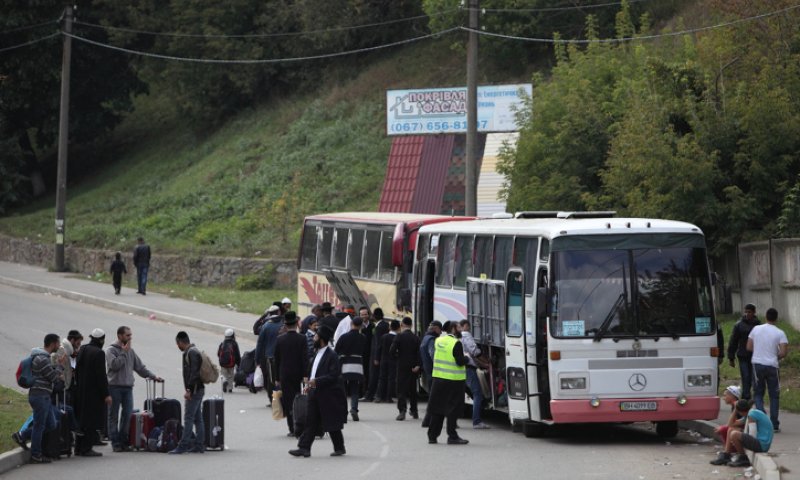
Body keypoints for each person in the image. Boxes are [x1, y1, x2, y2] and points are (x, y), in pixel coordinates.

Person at [289, 326, 348, 458]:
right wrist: (310, 385)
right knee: (310, 421)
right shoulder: (317, 353)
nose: (313, 338)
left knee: (331, 422)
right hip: (314, 393)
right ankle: (304, 448)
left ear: (321, 339)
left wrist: (316, 381)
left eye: (316, 336)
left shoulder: (332, 355)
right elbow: (314, 373)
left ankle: (339, 447)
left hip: (328, 395)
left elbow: (334, 375)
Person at [105, 326, 163, 452]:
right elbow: (114, 365)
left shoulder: (130, 351)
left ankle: (123, 441)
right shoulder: (111, 350)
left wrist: (153, 376)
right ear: (120, 336)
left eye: (131, 335)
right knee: (113, 416)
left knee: (127, 414)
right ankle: (115, 442)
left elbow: (140, 368)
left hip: (128, 388)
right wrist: (123, 352)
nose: (130, 338)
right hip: (114, 387)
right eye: (127, 335)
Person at [427, 321, 469, 445]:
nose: (461, 329)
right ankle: (452, 436)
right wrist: (467, 358)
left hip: (438, 379)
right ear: (453, 329)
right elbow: (459, 361)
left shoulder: (438, 341)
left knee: (437, 408)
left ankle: (432, 436)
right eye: (459, 327)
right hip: (453, 380)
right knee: (452, 409)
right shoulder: (456, 343)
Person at [747, 307, 789, 432]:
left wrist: (759, 351)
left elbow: (749, 347)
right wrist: (775, 356)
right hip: (772, 366)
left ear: (766, 316)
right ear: (776, 318)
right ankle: (774, 424)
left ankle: (762, 420)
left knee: (758, 393)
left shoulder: (756, 329)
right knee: (774, 395)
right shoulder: (780, 333)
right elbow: (783, 352)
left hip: (757, 365)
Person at [25, 333, 65, 464]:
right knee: (39, 426)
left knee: (51, 424)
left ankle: (22, 435)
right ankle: (36, 455)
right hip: (40, 396)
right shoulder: (42, 359)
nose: (59, 346)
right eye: (58, 343)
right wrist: (60, 366)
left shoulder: (43, 357)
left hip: (44, 396)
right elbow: (53, 378)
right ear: (52, 344)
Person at [74, 329, 112, 457]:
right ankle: (86, 448)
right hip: (93, 393)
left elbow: (77, 370)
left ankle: (78, 448)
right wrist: (106, 394)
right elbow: (101, 376)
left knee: (81, 420)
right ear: (101, 340)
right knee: (91, 421)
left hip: (80, 391)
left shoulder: (83, 349)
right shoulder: (99, 353)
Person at [169, 331, 205, 454]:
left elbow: (194, 373)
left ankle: (183, 445)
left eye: (177, 344)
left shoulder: (191, 353)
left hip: (194, 390)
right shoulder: (192, 351)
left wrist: (189, 390)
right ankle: (199, 445)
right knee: (197, 418)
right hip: (198, 389)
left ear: (180, 342)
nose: (177, 346)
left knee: (188, 418)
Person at [275, 312, 309, 436]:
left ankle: (291, 428)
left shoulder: (280, 339)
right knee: (299, 399)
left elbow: (277, 360)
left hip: (284, 374)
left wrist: (277, 378)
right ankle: (300, 425)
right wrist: (305, 375)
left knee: (288, 400)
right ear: (296, 324)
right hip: (298, 374)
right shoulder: (302, 338)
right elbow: (305, 358)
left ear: (285, 325)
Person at [335, 315, 367, 421]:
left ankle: (343, 412)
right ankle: (354, 409)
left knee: (342, 389)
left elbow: (336, 350)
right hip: (357, 365)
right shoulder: (363, 337)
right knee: (355, 389)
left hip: (344, 364)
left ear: (351, 324)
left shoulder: (344, 337)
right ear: (361, 326)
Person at [725, 399, 775, 467]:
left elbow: (752, 434)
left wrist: (740, 437)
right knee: (731, 430)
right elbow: (730, 424)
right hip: (761, 443)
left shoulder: (751, 415)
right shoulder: (749, 414)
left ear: (740, 412)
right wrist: (736, 410)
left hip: (762, 445)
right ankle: (726, 454)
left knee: (734, 434)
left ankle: (743, 458)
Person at [459, 319, 489, 429]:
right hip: (468, 369)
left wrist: (484, 364)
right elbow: (475, 352)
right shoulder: (466, 335)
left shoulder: (458, 337)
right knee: (477, 394)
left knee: (462, 393)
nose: (469, 328)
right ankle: (476, 421)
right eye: (468, 326)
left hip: (461, 369)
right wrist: (487, 362)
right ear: (465, 326)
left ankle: (453, 420)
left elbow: (472, 356)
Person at [390, 317, 421, 421]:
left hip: (402, 366)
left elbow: (392, 351)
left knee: (401, 389)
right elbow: (419, 353)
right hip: (413, 367)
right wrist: (418, 365)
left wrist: (398, 357)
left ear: (402, 325)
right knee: (412, 389)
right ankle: (414, 411)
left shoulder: (399, 336)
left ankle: (402, 411)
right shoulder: (416, 338)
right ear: (411, 325)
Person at [728, 304, 760, 399]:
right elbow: (733, 341)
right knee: (745, 377)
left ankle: (756, 397)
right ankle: (745, 398)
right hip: (743, 356)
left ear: (754, 312)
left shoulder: (758, 325)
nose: (747, 314)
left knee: (754, 378)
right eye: (746, 312)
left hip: (755, 356)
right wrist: (731, 357)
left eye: (749, 312)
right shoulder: (739, 325)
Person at [710, 386, 744, 464]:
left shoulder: (737, 405)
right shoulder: (734, 405)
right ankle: (728, 451)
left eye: (725, 395)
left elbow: (734, 424)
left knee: (726, 429)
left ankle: (728, 453)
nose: (723, 398)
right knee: (725, 428)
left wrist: (723, 427)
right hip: (741, 428)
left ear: (732, 396)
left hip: (743, 430)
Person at [256, 307, 284, 402]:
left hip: (270, 357)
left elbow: (259, 344)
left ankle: (273, 399)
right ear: (279, 312)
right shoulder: (283, 324)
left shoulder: (266, 326)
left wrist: (257, 359)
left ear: (269, 314)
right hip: (283, 356)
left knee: (271, 379)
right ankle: (282, 398)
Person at [420, 320, 442, 428]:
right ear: (436, 328)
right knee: (434, 398)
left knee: (433, 398)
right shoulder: (431, 340)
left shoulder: (425, 338)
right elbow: (433, 355)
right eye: (440, 330)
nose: (441, 332)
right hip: (434, 372)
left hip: (428, 371)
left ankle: (428, 421)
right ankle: (428, 421)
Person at [54, 329, 83, 405]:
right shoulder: (62, 350)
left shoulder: (72, 352)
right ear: (72, 340)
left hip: (69, 385)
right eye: (78, 342)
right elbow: (59, 367)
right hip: (63, 387)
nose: (79, 345)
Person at [365, 308, 388, 402]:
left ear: (375, 316)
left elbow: (378, 343)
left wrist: (376, 357)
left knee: (373, 375)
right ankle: (381, 395)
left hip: (376, 355)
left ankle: (370, 395)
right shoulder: (385, 325)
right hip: (384, 355)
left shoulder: (378, 328)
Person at [376, 320, 400, 403]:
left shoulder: (384, 336)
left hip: (383, 360)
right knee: (391, 378)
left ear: (390, 327)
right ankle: (388, 397)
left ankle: (379, 396)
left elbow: (379, 348)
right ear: (398, 328)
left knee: (382, 378)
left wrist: (376, 358)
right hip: (393, 361)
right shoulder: (398, 337)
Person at [217, 328, 241, 394]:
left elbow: (218, 354)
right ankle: (230, 388)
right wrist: (238, 363)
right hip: (231, 363)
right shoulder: (234, 343)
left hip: (223, 364)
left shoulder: (222, 344)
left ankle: (224, 381)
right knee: (231, 375)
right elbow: (237, 354)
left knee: (224, 374)